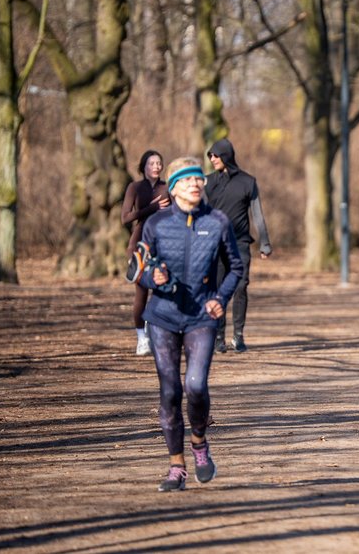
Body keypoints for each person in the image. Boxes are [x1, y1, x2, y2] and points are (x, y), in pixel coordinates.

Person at [139, 156, 243, 491]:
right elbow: (137, 269)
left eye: (198, 179)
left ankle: (199, 444)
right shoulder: (155, 224)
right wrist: (152, 278)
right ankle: (176, 467)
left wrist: (220, 299)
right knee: (170, 391)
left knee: (195, 385)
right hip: (163, 317)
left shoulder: (218, 222)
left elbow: (236, 268)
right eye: (187, 180)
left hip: (201, 316)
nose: (195, 184)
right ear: (174, 187)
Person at [205, 139, 272, 353]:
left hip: (240, 243)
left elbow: (257, 214)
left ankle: (238, 335)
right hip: (215, 244)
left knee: (241, 286)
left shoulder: (248, 182)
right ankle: (218, 337)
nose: (213, 159)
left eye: (216, 155)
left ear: (226, 155)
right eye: (211, 156)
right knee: (217, 290)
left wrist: (265, 242)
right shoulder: (207, 182)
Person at [121, 150, 170, 356]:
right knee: (141, 292)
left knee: (162, 292)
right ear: (144, 167)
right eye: (152, 163)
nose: (156, 166)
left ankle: (157, 332)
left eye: (159, 163)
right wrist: (151, 208)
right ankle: (142, 337)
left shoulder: (167, 187)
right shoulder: (134, 187)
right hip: (140, 243)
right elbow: (126, 218)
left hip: (164, 243)